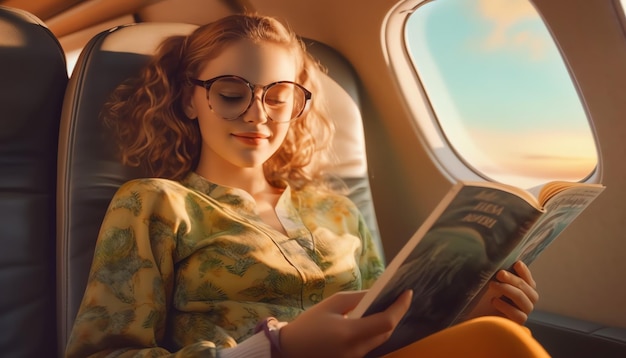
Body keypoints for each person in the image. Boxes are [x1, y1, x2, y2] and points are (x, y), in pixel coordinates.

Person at [65, 13, 547, 358]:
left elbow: (384, 331)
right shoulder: (155, 203)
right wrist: (277, 348)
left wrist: (469, 314)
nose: (258, 115)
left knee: (501, 342)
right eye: (232, 94)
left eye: (278, 98)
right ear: (189, 100)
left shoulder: (337, 212)